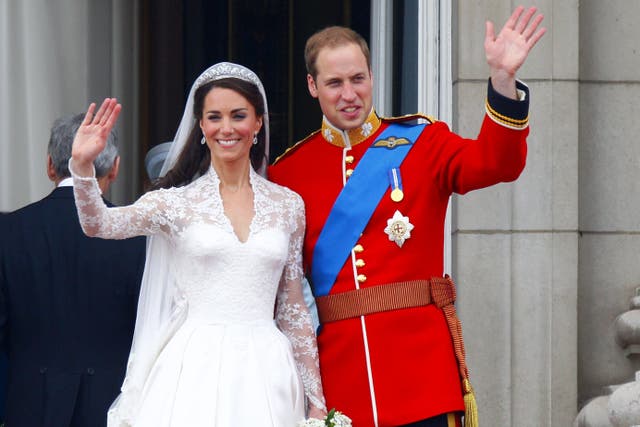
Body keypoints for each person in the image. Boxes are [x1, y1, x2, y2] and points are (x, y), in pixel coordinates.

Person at [269, 6, 546, 427]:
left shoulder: (422, 142)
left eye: (358, 79)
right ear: (312, 86)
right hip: (341, 384)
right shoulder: (287, 173)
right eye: (334, 83)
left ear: (372, 76)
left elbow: (497, 163)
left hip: (423, 380)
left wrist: (503, 81)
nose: (349, 94)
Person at [69, 62, 327, 426]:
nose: (226, 128)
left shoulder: (288, 205)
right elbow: (99, 224)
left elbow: (292, 305)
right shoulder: (175, 203)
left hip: (268, 368)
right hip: (194, 367)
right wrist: (82, 167)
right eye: (214, 117)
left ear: (257, 123)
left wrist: (315, 400)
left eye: (238, 115)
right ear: (201, 127)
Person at [0, 114, 146, 427]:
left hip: (27, 407)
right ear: (116, 167)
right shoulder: (139, 239)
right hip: (111, 409)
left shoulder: (7, 232)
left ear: (50, 165)